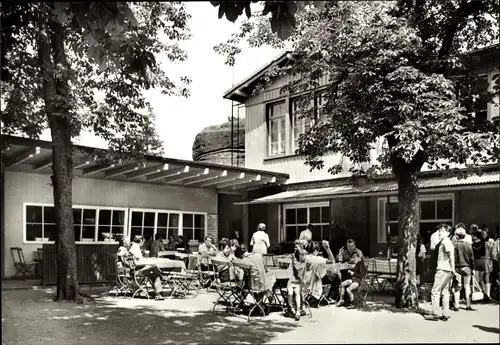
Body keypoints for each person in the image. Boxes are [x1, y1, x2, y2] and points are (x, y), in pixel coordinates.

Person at [428, 224, 455, 321]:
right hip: (447, 270)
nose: (440, 232)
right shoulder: (445, 242)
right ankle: (445, 313)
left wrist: (453, 269)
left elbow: (451, 256)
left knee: (435, 291)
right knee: (445, 292)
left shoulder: (445, 243)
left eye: (442, 231)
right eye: (439, 230)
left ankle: (435, 313)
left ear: (448, 233)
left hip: (442, 269)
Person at [452, 227, 475, 311]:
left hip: (457, 267)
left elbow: (453, 257)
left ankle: (456, 305)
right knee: (467, 286)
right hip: (467, 267)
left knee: (457, 286)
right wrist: (473, 268)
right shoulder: (469, 245)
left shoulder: (454, 245)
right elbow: (472, 258)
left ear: (457, 236)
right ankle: (468, 305)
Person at [287, 247, 308, 321]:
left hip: (298, 282)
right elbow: (295, 267)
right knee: (290, 292)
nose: (303, 256)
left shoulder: (304, 263)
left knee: (297, 293)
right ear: (298, 255)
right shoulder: (295, 262)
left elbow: (299, 269)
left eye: (305, 255)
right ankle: (291, 308)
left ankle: (298, 311)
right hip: (291, 280)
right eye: (302, 255)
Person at [472, 230, 490, 302]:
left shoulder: (473, 244)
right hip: (482, 261)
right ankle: (485, 294)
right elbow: (486, 253)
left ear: (476, 236)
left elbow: (472, 254)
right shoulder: (483, 243)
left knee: (476, 280)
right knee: (482, 279)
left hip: (476, 261)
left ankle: (480, 295)